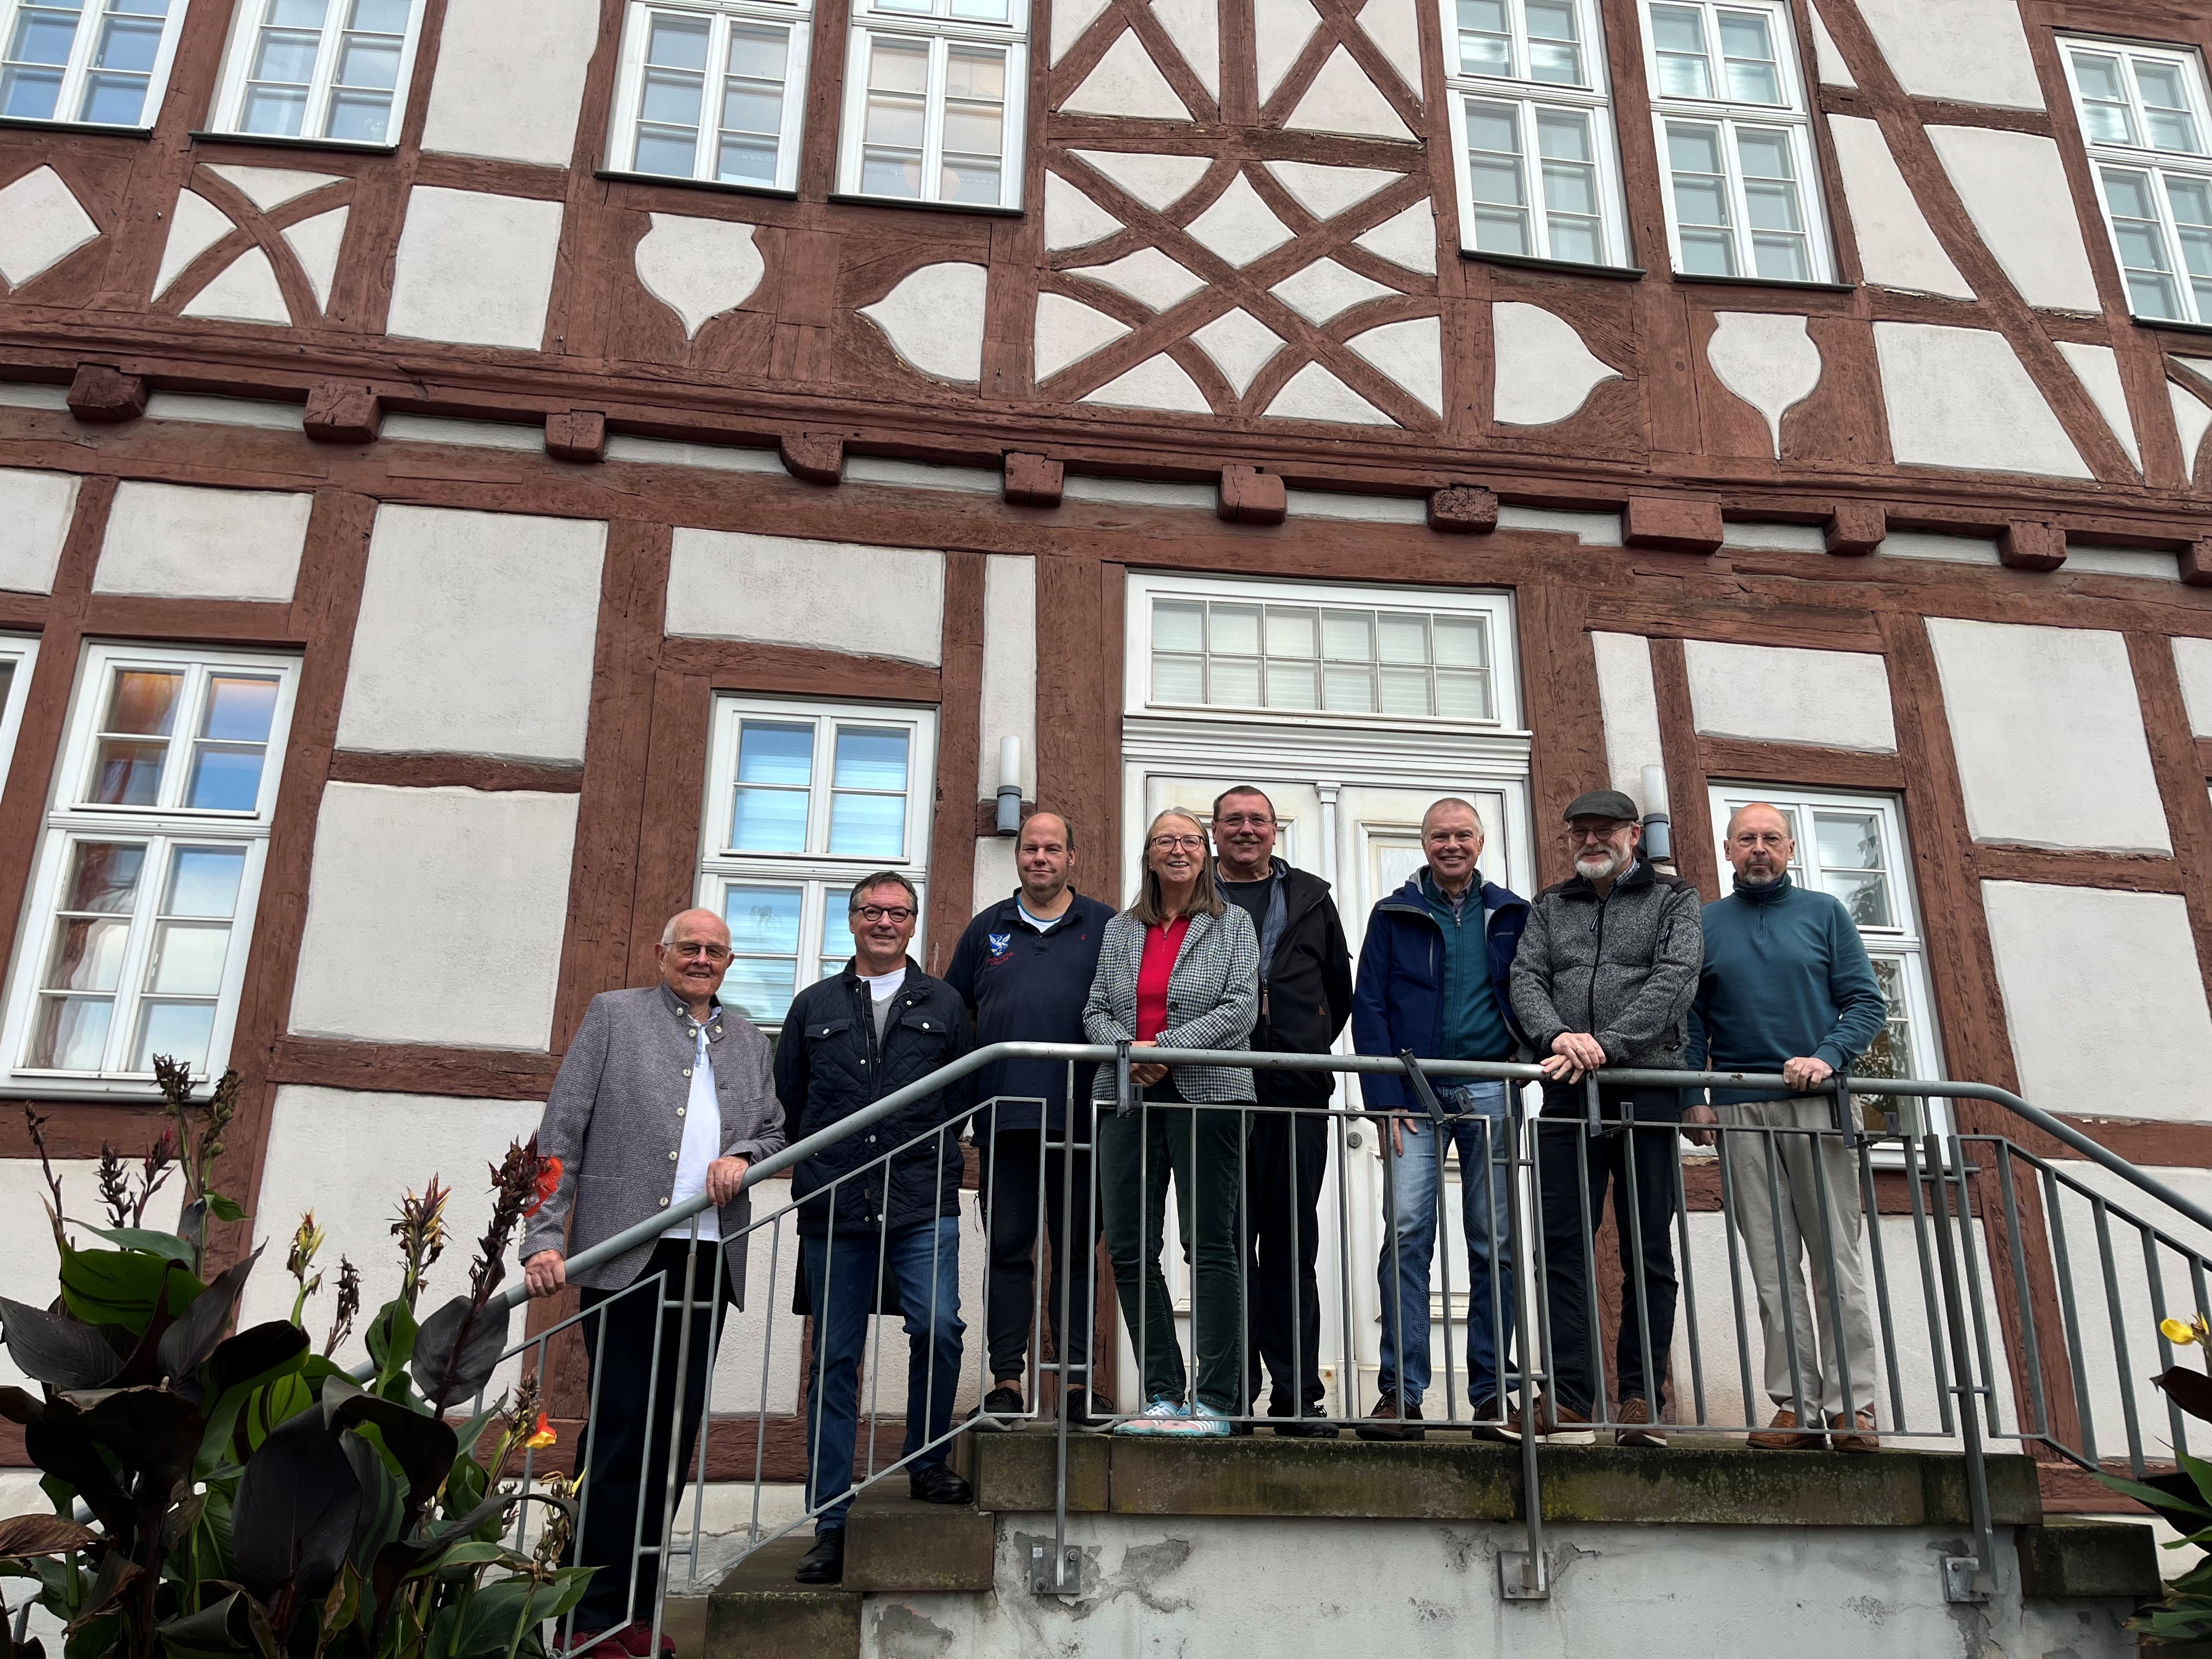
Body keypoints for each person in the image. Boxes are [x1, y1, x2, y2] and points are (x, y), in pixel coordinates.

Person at [522, 908, 786, 1657]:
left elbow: (773, 1129)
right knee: (619, 1435)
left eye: (714, 951)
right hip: (628, 1256)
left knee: (671, 1441)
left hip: (708, 1258)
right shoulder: (614, 1017)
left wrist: (742, 1155)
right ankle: (585, 1617)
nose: (701, 959)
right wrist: (544, 1239)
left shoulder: (748, 1039)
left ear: (729, 963)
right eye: (688, 948)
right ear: (662, 953)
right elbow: (559, 1136)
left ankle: (634, 1614)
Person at [775, 872, 976, 1585]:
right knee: (834, 1362)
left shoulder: (945, 1004)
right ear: (852, 920)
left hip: (923, 1200)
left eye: (899, 912)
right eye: (872, 910)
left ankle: (927, 1462)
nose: (885, 921)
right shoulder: (813, 1006)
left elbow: (962, 1096)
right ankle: (831, 1522)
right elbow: (791, 1102)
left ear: (914, 924)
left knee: (939, 1327)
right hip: (836, 1206)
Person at [1683, 802, 1888, 1453]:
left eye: (1771, 838)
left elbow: (1866, 1001)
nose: (1759, 849)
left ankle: (1852, 1406)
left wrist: (1826, 1058)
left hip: (1817, 1103)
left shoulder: (1825, 914)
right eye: (1747, 839)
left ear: (1791, 848)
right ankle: (1796, 1406)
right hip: (1742, 1108)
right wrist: (1694, 1095)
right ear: (1727, 850)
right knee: (1772, 1268)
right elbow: (1691, 1022)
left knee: (1836, 1261)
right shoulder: (1707, 924)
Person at [1510, 789, 1703, 1448]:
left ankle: (1642, 1399)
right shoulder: (1549, 905)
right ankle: (1568, 1400)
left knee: (1648, 1249)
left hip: (1645, 1088)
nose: (1590, 842)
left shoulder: (1675, 901)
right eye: (1580, 833)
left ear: (1632, 837)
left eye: (1604, 831)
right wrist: (1560, 1036)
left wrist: (1608, 1045)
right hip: (1567, 1087)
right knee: (1562, 1244)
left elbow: (1677, 980)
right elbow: (1525, 980)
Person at [1350, 798, 1530, 1442]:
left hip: (1492, 1085)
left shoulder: (1512, 914)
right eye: (1439, 836)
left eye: (1462, 835)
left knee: (1496, 1241)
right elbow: (1368, 1006)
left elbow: (1532, 993)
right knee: (1405, 1235)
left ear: (1479, 843)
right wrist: (1382, 1098)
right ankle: (1400, 1395)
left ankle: (1493, 1395)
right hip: (1412, 1091)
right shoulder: (1394, 914)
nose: (1451, 845)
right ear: (1423, 845)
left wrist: (1534, 1056)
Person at [1083, 809, 1260, 1437]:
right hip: (1129, 1097)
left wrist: (1167, 1051)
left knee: (1210, 1245)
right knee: (1130, 1248)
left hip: (1209, 1095)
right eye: (1166, 839)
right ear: (1150, 855)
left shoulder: (1232, 923)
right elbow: (1097, 1008)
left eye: (1189, 840)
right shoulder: (1121, 930)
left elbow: (1241, 1008)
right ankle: (1162, 1393)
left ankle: (1214, 1401)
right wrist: (1133, 1054)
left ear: (1205, 853)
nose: (1178, 849)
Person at [944, 811, 1116, 1428]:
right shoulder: (986, 928)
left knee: (1077, 1252)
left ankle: (1075, 1384)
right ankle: (1008, 1382)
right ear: (1018, 858)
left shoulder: (1105, 926)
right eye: (1029, 849)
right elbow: (953, 1018)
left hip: (1084, 1118)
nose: (1039, 858)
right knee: (1009, 1251)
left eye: (1052, 849)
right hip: (1006, 1116)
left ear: (1074, 857)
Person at [1212, 786, 1352, 1437]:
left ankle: (1296, 1397)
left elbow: (1338, 994)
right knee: (1228, 1246)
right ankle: (1234, 1394)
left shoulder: (1312, 899)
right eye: (1234, 820)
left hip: (1295, 1090)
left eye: (1257, 821)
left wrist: (1299, 1038)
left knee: (1292, 1244)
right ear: (1216, 832)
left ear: (1275, 832)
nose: (1246, 830)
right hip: (1215, 1088)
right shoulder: (1193, 897)